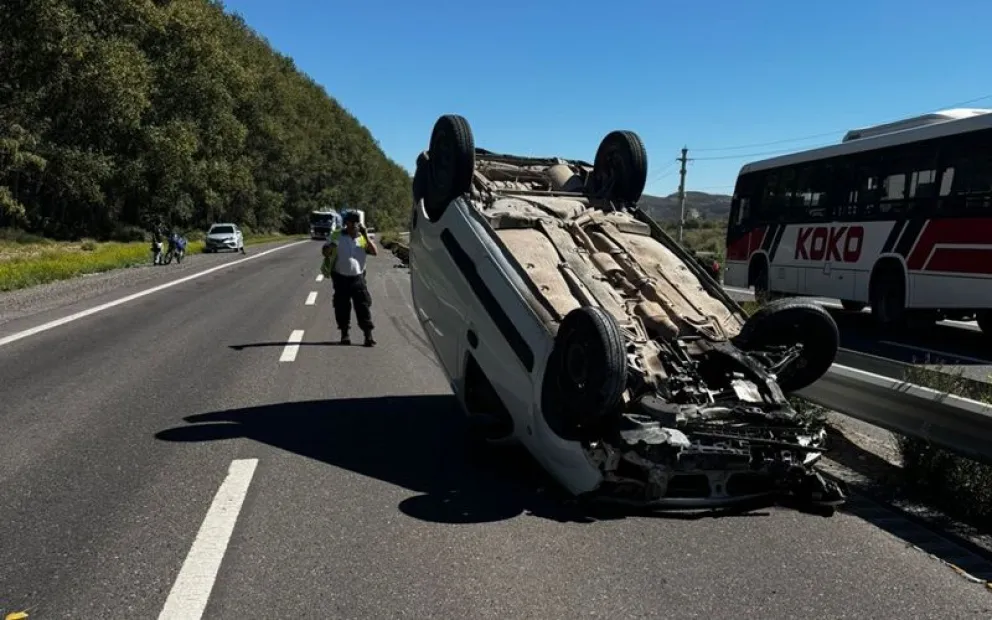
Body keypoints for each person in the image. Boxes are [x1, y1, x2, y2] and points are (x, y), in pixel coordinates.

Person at [320, 211, 379, 346]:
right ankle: (344, 334)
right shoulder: (337, 235)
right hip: (340, 276)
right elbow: (325, 252)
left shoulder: (362, 238)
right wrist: (332, 245)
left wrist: (365, 236)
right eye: (351, 223)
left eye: (356, 223)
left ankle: (368, 335)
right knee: (341, 306)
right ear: (346, 223)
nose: (354, 226)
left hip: (358, 277)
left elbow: (374, 252)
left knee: (363, 305)